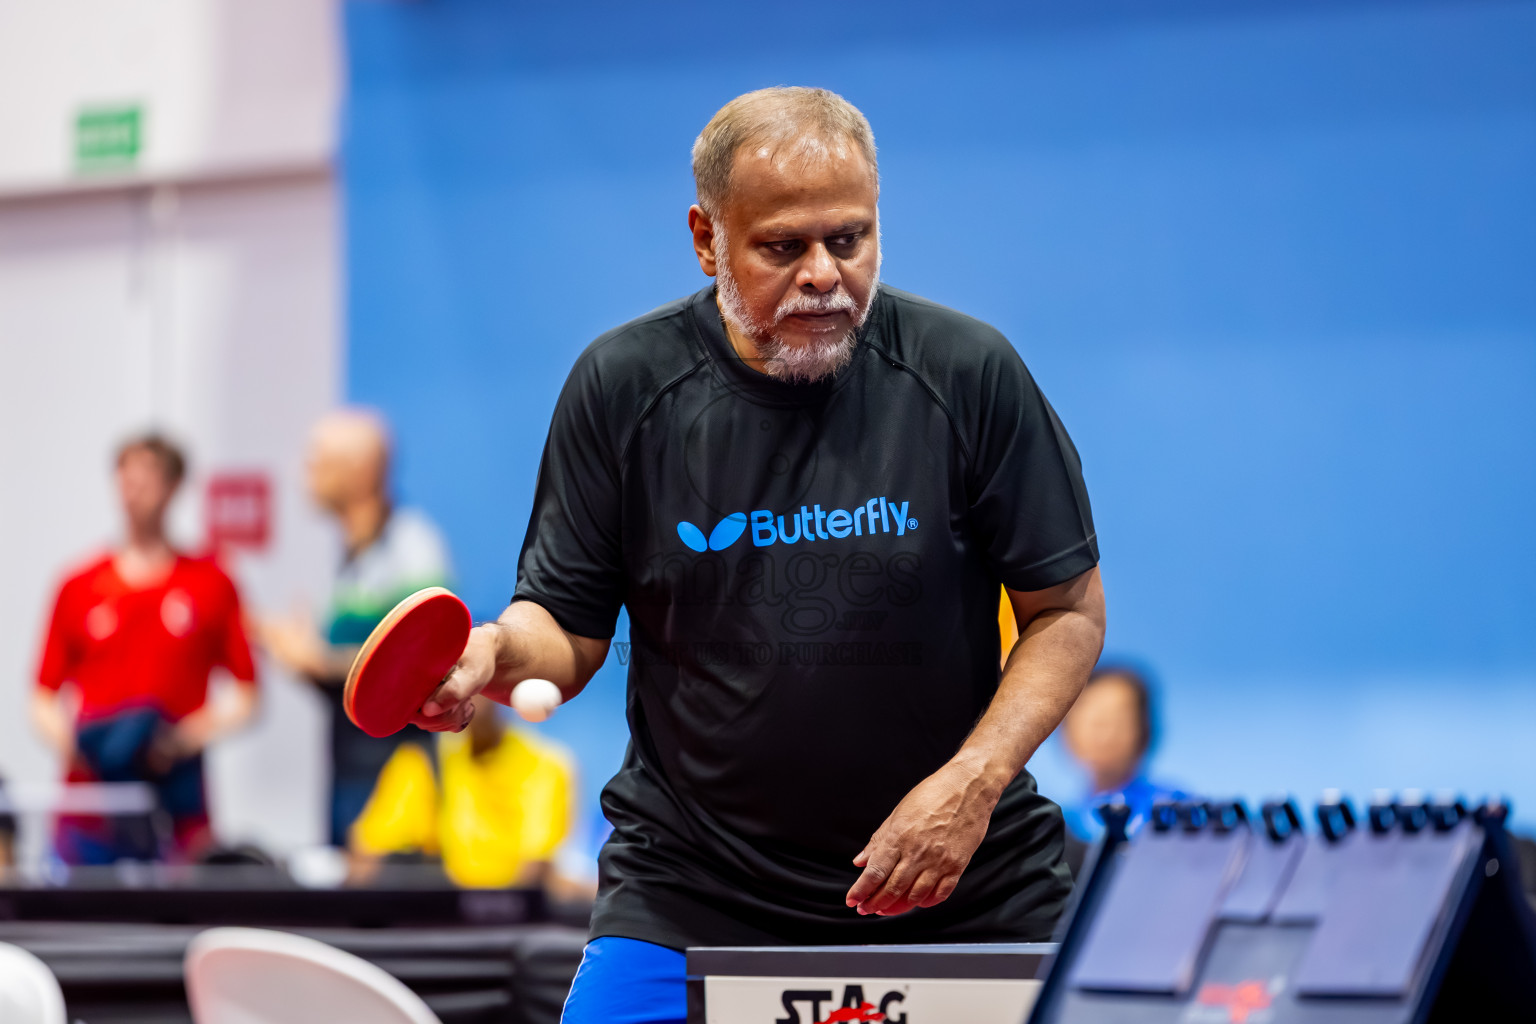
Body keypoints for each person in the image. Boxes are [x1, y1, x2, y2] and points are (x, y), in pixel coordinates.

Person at [414, 87, 1106, 1022]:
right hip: (696, 891)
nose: (824, 274)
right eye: (784, 247)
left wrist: (970, 784)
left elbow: (1066, 612)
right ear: (707, 239)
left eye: (850, 239)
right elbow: (566, 628)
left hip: (960, 883)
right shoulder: (623, 387)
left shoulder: (967, 372)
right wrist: (496, 650)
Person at [31, 434, 258, 863]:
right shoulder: (79, 586)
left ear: (173, 486)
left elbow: (247, 697)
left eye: (148, 476)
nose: (134, 488)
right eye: (126, 475)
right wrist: (82, 746)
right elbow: (42, 696)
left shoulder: (211, 583)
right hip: (92, 806)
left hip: (173, 801)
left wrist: (178, 740)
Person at [259, 409, 452, 846]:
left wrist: (318, 659)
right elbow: (350, 679)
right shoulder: (351, 556)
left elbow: (427, 662)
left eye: (318, 459)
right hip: (349, 771)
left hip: (397, 789)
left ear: (361, 470)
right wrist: (303, 661)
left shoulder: (413, 547)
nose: (303, 472)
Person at [348, 695, 575, 889]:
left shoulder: (546, 764)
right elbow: (367, 850)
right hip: (437, 918)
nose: (470, 690)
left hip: (508, 924)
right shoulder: (422, 762)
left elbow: (535, 866)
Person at [1059, 662, 1188, 841]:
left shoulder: (1174, 809)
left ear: (1144, 731)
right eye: (1094, 723)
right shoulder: (1063, 821)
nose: (1104, 737)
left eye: (1117, 723)